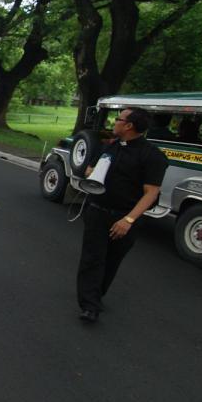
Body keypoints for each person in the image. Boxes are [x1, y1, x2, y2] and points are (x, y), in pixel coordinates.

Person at [76, 107, 168, 323]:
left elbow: (151, 192)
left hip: (125, 218)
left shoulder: (152, 156)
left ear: (129, 126)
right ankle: (90, 305)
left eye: (118, 119)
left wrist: (128, 220)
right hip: (97, 212)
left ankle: (97, 296)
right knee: (92, 259)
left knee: (111, 261)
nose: (114, 122)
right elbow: (92, 169)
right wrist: (91, 172)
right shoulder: (111, 146)